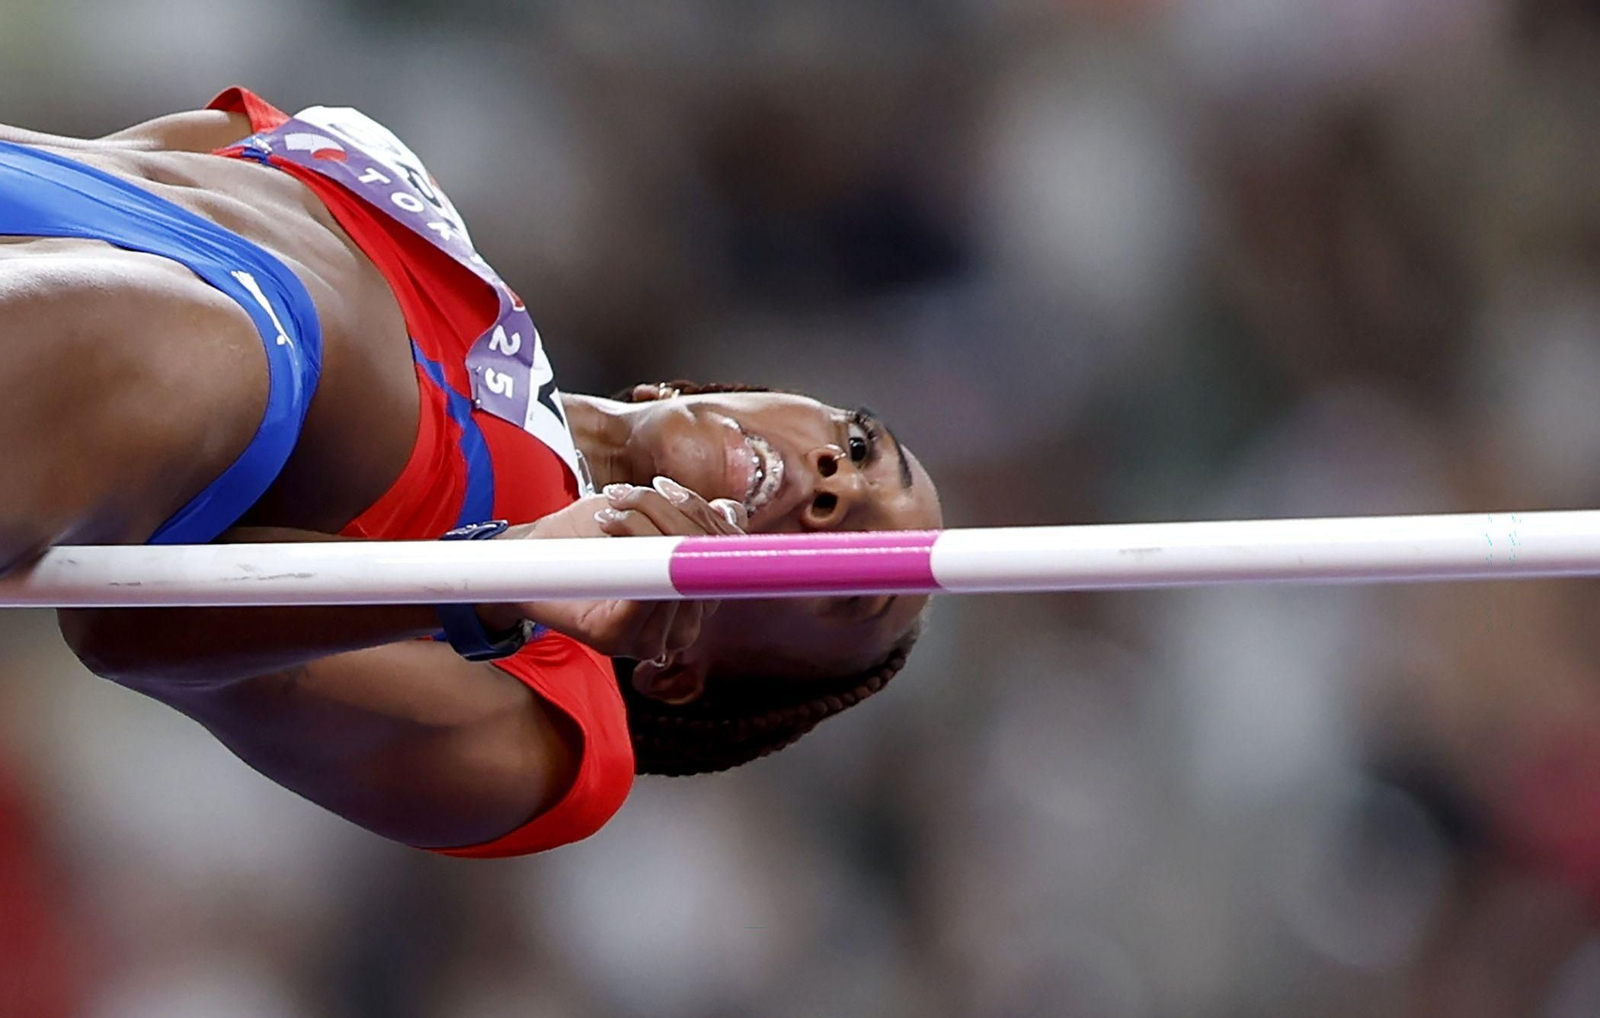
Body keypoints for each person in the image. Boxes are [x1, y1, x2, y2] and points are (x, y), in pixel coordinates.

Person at [0, 89, 941, 857]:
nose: (834, 485)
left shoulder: (552, 716)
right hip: (47, 192)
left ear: (680, 671)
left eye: (853, 574)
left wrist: (508, 574)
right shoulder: (447, 235)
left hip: (146, 348)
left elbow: (127, 622)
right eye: (859, 447)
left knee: (198, 345)